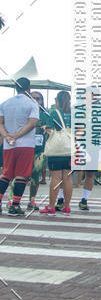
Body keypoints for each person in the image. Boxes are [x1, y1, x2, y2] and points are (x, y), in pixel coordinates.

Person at [0, 77, 39, 216]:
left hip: (8, 144)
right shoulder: (32, 103)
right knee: (21, 174)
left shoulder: (5, 103)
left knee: (6, 173)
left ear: (16, 88)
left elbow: (0, 123)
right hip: (26, 144)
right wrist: (17, 135)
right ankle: (15, 205)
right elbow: (32, 123)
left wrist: (7, 136)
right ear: (29, 87)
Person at [40, 90, 73, 215]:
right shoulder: (74, 113)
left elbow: (49, 129)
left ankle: (51, 207)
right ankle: (67, 206)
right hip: (69, 150)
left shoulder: (54, 112)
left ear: (58, 100)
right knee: (68, 178)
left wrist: (45, 128)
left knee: (56, 178)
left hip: (56, 151)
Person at [28, 91, 48, 211]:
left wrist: (47, 128)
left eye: (38, 98)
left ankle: (32, 200)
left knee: (35, 175)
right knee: (20, 175)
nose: (35, 100)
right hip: (25, 147)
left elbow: (52, 127)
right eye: (33, 98)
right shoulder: (26, 111)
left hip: (39, 150)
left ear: (42, 100)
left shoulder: (45, 114)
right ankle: (13, 200)